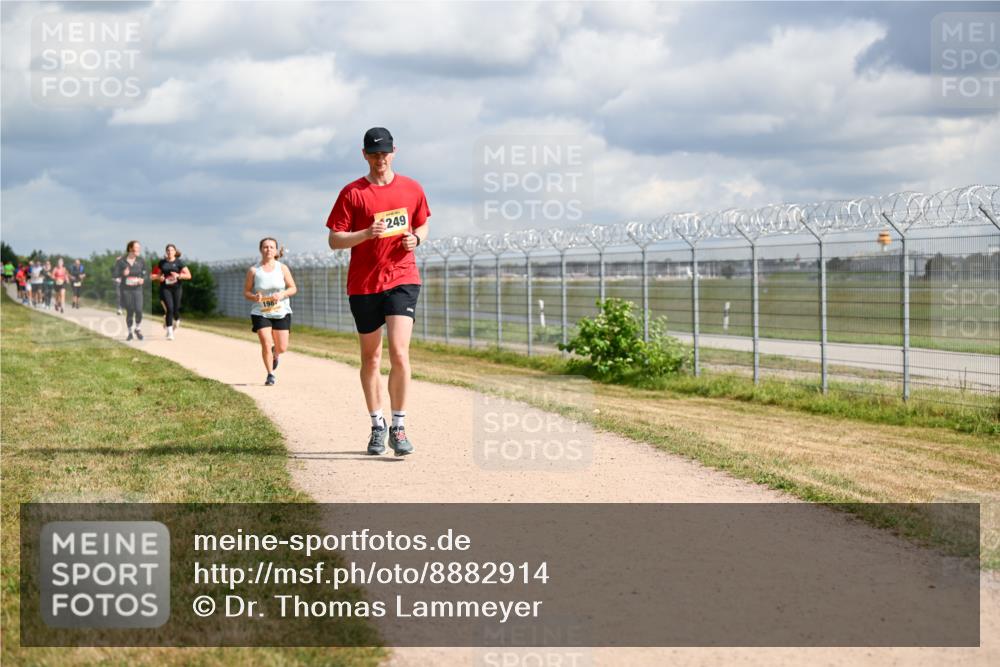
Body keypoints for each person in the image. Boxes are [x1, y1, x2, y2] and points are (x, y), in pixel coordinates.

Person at [326, 127, 430, 456]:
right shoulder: (352, 193)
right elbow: (334, 240)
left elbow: (422, 223)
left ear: (394, 152)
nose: (379, 159)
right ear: (364, 155)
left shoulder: (412, 188)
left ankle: (398, 426)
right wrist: (367, 234)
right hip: (364, 283)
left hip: (402, 276)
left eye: (384, 152)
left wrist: (418, 239)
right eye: (373, 153)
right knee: (371, 358)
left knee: (399, 352)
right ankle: (377, 424)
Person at [243, 237, 297, 386]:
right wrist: (255, 297)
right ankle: (270, 374)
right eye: (265, 247)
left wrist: (282, 294)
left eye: (271, 247)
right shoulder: (254, 270)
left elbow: (293, 288)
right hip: (261, 312)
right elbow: (246, 292)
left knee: (282, 347)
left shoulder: (282, 268)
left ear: (275, 250)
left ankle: (276, 353)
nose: (268, 250)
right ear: (261, 250)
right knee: (266, 343)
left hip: (281, 311)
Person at [153, 244, 191, 340]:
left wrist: (178, 276)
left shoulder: (179, 263)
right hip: (165, 288)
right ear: (166, 252)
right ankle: (170, 333)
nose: (170, 252)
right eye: (168, 250)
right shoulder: (162, 263)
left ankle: (177, 319)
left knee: (175, 309)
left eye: (171, 250)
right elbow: (157, 275)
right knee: (169, 308)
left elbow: (189, 275)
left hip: (177, 288)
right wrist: (159, 278)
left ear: (175, 252)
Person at [117, 241, 147, 341]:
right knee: (130, 311)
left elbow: (144, 273)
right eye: (136, 247)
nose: (138, 249)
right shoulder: (121, 261)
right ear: (130, 248)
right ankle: (130, 332)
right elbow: (114, 275)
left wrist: (142, 279)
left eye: (139, 247)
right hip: (126, 290)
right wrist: (123, 273)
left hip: (137, 289)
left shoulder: (141, 260)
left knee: (139, 310)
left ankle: (137, 329)